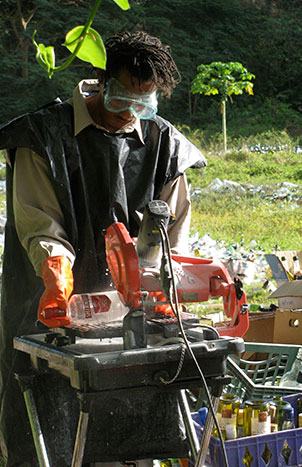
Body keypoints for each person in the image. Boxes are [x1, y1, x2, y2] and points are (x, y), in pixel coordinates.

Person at [0, 31, 206, 466]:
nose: (130, 115)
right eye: (121, 101)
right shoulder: (42, 136)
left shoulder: (165, 145)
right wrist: (56, 268)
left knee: (136, 416)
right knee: (48, 421)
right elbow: (41, 223)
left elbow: (170, 233)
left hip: (131, 307)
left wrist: (158, 278)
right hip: (52, 301)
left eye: (143, 105)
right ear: (100, 81)